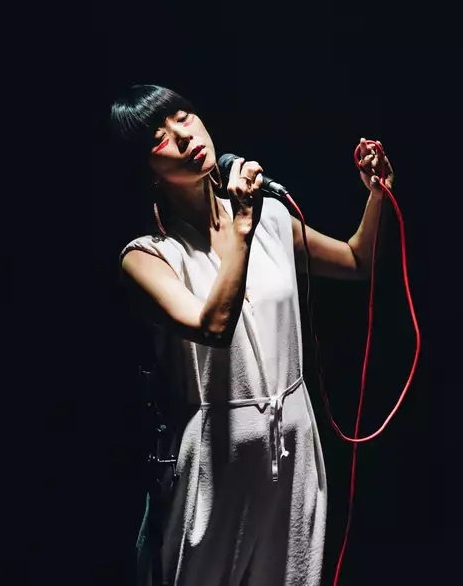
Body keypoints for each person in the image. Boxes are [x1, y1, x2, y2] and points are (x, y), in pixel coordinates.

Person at [112, 85, 395, 586]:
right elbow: (213, 327)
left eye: (184, 117)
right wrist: (242, 224)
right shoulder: (148, 256)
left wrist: (377, 195)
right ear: (146, 167)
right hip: (215, 457)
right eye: (160, 136)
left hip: (293, 442)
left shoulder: (271, 220)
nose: (184, 135)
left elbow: (357, 260)